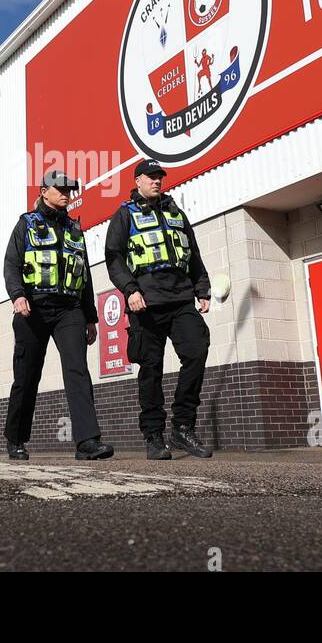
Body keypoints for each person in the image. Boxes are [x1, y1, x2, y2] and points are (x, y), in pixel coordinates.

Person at [105, 159, 213, 460]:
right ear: (137, 180)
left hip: (180, 299)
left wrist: (201, 288)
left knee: (197, 350)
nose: (157, 181)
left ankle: (182, 427)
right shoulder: (124, 215)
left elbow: (192, 253)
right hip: (146, 303)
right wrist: (130, 289)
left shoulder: (176, 213)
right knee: (151, 369)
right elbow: (113, 257)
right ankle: (154, 436)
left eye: (159, 176)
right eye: (151, 176)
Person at [2, 171, 113, 461]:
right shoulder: (25, 224)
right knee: (27, 376)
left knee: (77, 370)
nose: (66, 193)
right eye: (60, 188)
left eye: (69, 189)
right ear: (43, 190)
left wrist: (91, 317)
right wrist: (18, 295)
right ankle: (16, 439)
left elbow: (84, 275)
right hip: (33, 307)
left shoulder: (75, 229)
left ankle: (87, 442)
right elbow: (11, 264)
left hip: (69, 309)